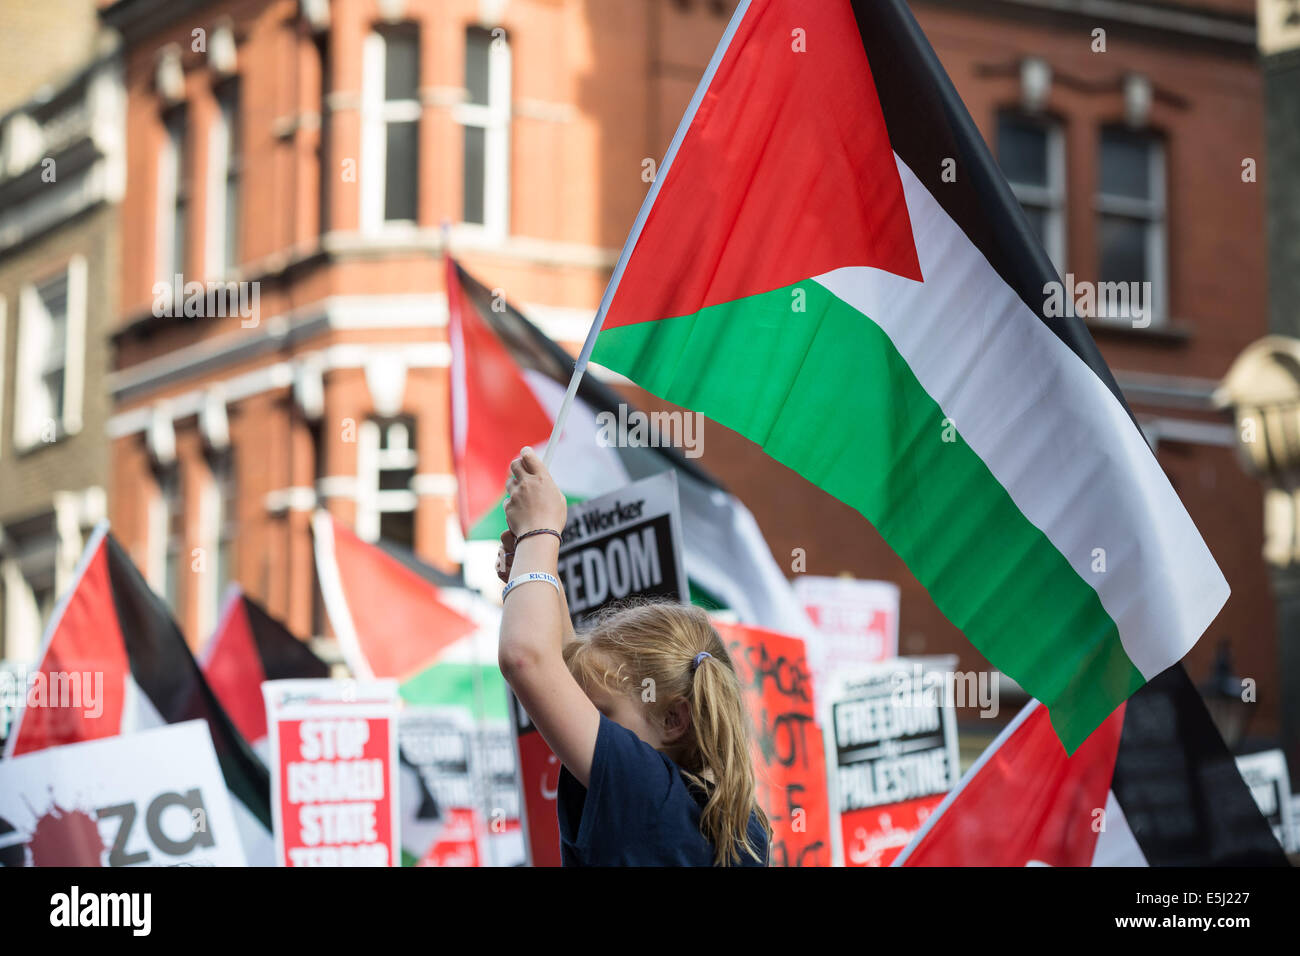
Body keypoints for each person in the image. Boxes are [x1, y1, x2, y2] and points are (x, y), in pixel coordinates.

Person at [496, 446, 771, 866]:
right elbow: (561, 665)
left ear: (673, 720)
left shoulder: (647, 789)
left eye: (603, 713)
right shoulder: (730, 820)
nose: (576, 715)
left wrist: (541, 531)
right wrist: (532, 569)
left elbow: (527, 659)